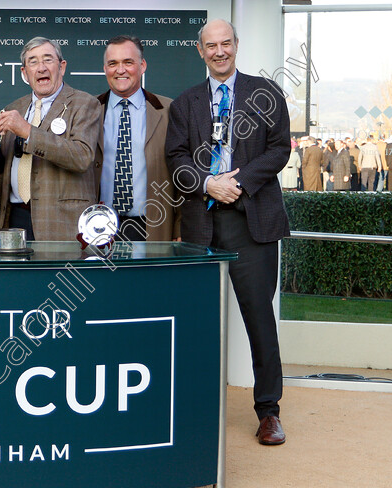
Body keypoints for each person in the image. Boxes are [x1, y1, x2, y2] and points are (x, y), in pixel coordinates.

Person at [165, 19, 290, 446]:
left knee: (259, 318)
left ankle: (269, 412)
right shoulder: (185, 103)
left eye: (226, 44)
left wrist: (238, 181)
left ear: (237, 45)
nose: (219, 52)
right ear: (200, 51)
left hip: (252, 223)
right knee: (198, 322)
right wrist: (206, 182)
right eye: (211, 46)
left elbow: (280, 147)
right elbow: (176, 158)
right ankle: (196, 408)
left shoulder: (265, 92)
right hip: (202, 225)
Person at [0, 37, 99, 241]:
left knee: (55, 273)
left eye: (48, 60)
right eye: (33, 61)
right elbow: (5, 166)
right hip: (14, 218)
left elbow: (82, 156)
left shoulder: (84, 103)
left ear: (62, 66)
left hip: (61, 222)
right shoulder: (14, 108)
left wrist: (28, 131)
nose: (41, 68)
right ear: (24, 73)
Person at [95, 35, 179, 242]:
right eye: (113, 63)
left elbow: (183, 173)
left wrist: (179, 229)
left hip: (153, 226)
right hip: (98, 228)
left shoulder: (169, 110)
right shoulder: (87, 111)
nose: (120, 70)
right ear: (105, 68)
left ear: (142, 66)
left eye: (128, 62)